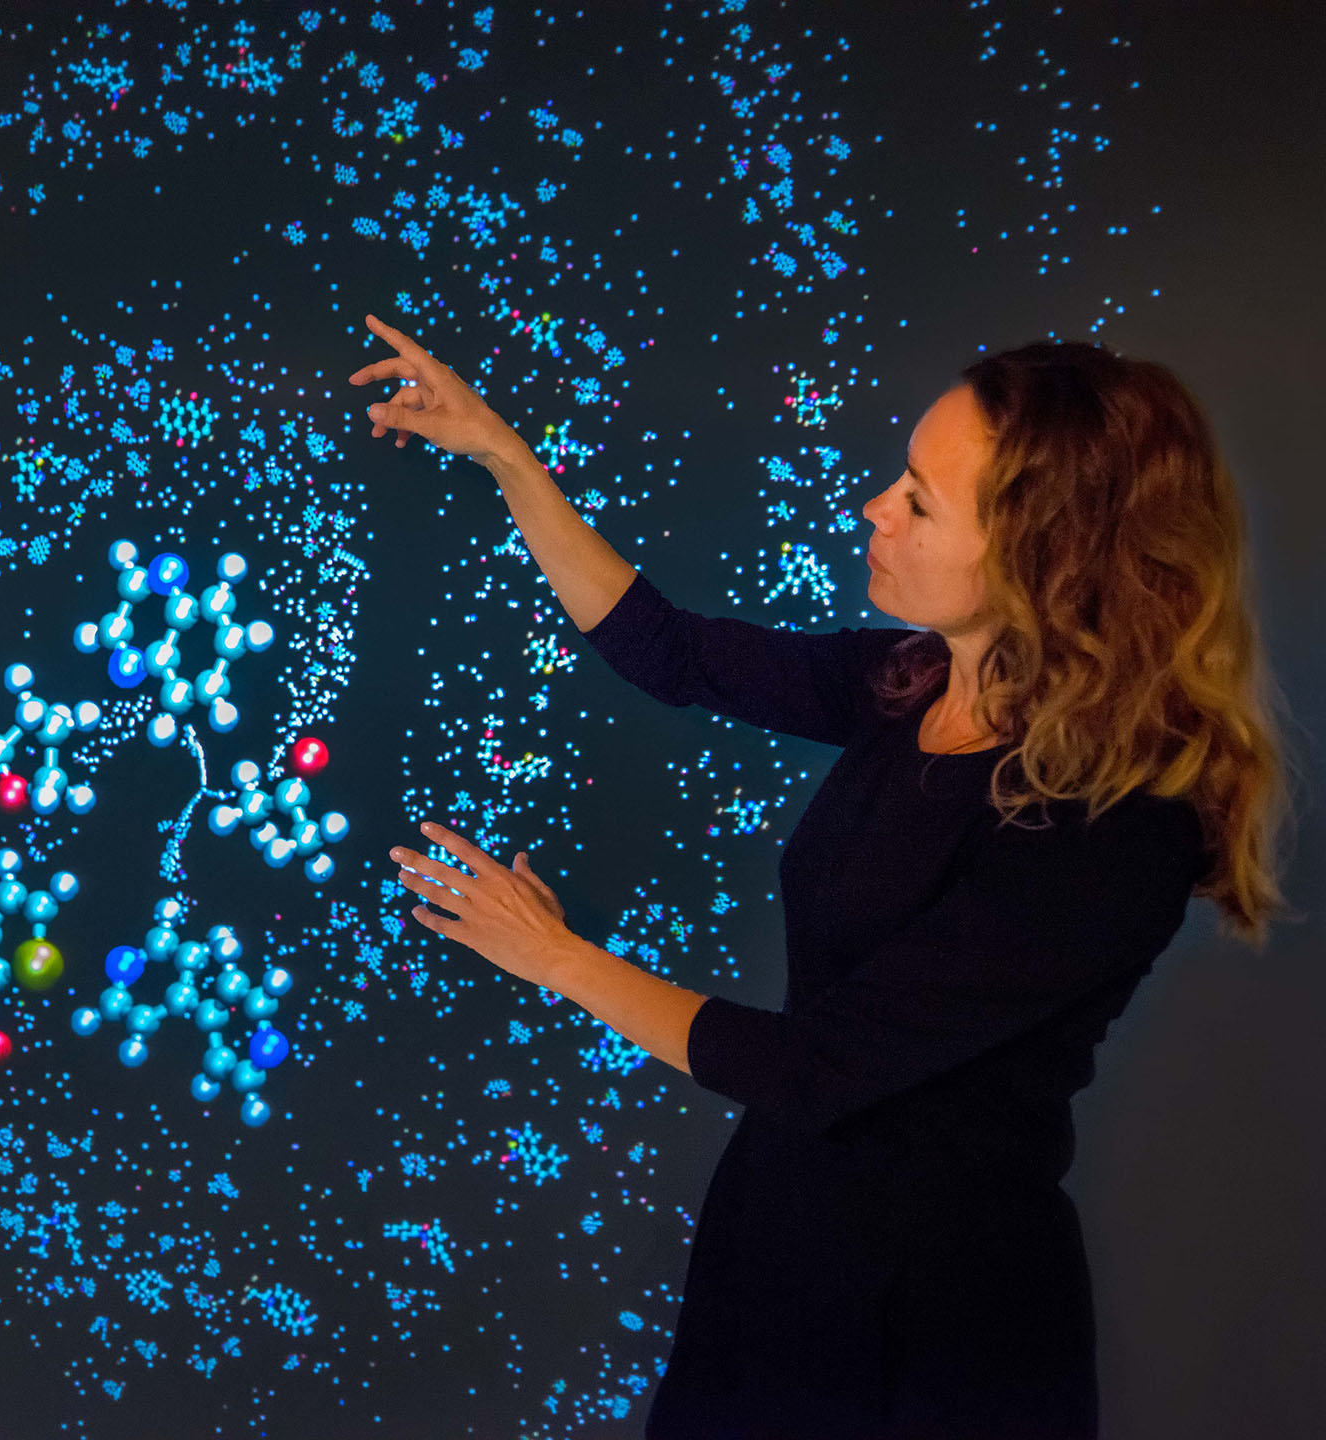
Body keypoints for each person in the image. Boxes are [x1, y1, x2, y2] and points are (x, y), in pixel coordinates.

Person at [353, 313, 1299, 1438]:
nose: (873, 508)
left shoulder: (1114, 827)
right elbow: (673, 653)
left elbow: (814, 1069)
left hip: (935, 1329)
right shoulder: (910, 683)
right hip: (778, 1256)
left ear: (1044, 556)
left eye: (919, 502)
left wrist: (553, 957)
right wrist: (503, 454)